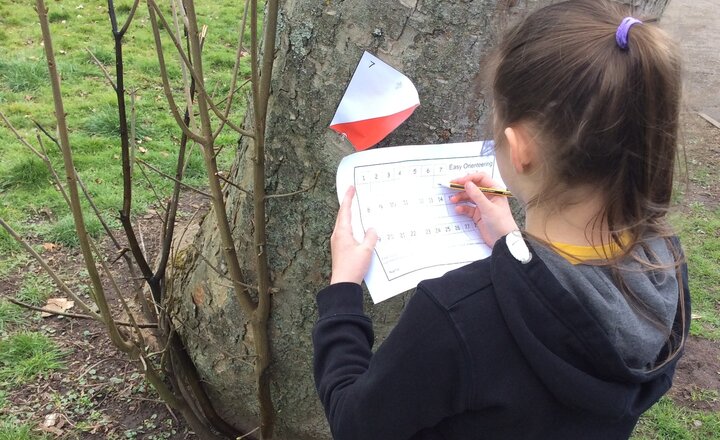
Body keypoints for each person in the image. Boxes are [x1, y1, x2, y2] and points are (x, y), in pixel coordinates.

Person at [312, 0, 690, 438]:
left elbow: (356, 425)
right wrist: (511, 243)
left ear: (520, 147)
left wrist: (342, 293)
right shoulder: (663, 268)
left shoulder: (457, 314)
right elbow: (573, 314)